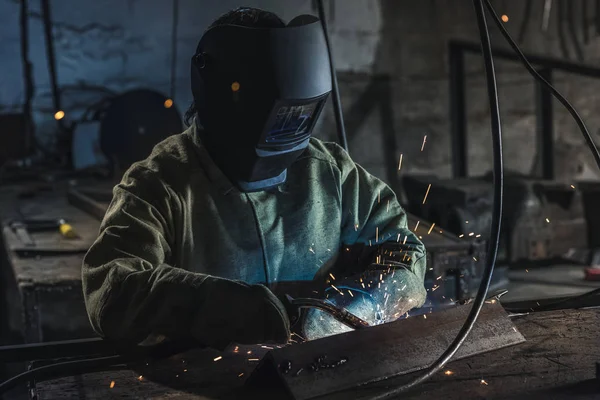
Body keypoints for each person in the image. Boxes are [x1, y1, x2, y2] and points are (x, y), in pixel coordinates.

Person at [82, 7, 426, 349]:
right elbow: (113, 292)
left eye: (291, 119)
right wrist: (233, 309)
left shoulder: (330, 170)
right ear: (219, 96)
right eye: (267, 118)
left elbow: (402, 252)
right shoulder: (158, 183)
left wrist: (348, 308)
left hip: (322, 372)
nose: (279, 134)